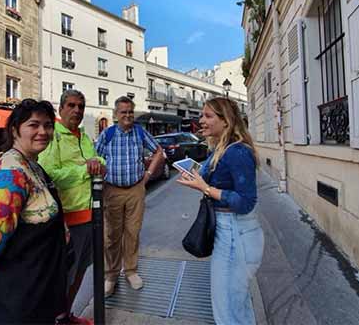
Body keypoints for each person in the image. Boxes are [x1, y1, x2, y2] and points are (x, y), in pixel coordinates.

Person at [0, 99, 68, 325]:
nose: (43, 131)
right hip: (15, 299)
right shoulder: (11, 174)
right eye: (34, 125)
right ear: (15, 130)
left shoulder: (31, 164)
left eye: (48, 125)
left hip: (35, 293)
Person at [177, 97, 264, 325]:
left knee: (228, 310)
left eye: (208, 116)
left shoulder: (237, 152)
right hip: (228, 231)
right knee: (235, 306)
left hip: (236, 232)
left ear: (226, 121)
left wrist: (205, 188)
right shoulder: (219, 149)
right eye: (201, 115)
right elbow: (209, 176)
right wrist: (196, 177)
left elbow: (246, 201)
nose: (201, 120)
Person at [38, 90, 105, 325]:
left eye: (81, 106)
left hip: (90, 217)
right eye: (72, 105)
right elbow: (49, 175)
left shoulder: (83, 136)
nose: (77, 110)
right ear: (61, 108)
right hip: (67, 221)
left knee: (80, 272)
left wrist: (98, 164)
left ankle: (66, 316)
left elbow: (97, 159)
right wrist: (84, 170)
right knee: (62, 277)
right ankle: (55, 319)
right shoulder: (53, 136)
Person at [95, 96, 164, 297]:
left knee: (133, 233)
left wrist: (148, 174)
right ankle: (111, 275)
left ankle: (131, 271)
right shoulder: (107, 134)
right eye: (123, 112)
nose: (127, 115)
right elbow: (95, 158)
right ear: (116, 114)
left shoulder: (140, 132)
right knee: (111, 236)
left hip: (136, 189)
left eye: (130, 112)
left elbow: (159, 151)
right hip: (112, 190)